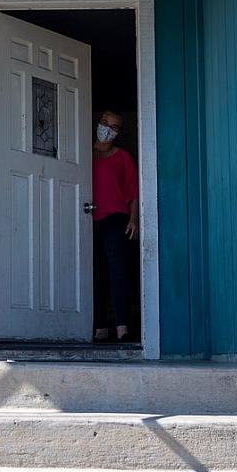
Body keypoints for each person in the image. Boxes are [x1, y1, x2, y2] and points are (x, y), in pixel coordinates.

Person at [91, 110, 138, 343]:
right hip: (89, 218)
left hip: (117, 219)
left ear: (119, 132)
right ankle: (99, 326)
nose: (107, 129)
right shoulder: (82, 155)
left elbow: (133, 192)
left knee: (118, 272)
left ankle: (122, 326)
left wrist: (134, 219)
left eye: (114, 126)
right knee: (94, 272)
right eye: (104, 123)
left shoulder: (123, 158)